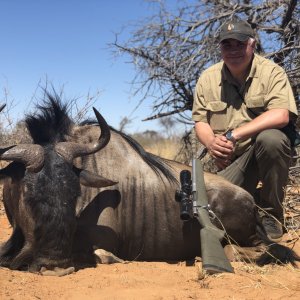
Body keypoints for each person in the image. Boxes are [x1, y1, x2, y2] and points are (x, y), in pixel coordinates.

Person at [192, 17, 298, 242]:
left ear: (252, 44)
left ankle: (272, 215)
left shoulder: (272, 72)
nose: (233, 50)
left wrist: (233, 135)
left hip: (265, 155)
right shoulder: (207, 78)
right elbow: (200, 121)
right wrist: (212, 143)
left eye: (239, 44)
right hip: (231, 162)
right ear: (220, 47)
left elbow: (281, 114)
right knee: (208, 209)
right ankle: (254, 200)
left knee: (272, 139)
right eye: (226, 44)